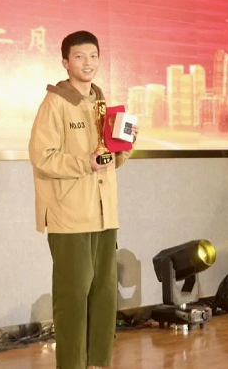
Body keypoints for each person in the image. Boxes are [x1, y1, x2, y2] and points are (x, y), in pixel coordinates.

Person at [28, 30, 138, 369]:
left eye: (93, 56)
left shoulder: (101, 104)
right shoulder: (55, 103)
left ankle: (98, 363)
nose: (87, 62)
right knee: (73, 297)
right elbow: (42, 157)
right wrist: (84, 162)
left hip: (105, 214)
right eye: (79, 56)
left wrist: (125, 147)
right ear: (65, 62)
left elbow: (107, 160)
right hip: (70, 215)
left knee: (104, 296)